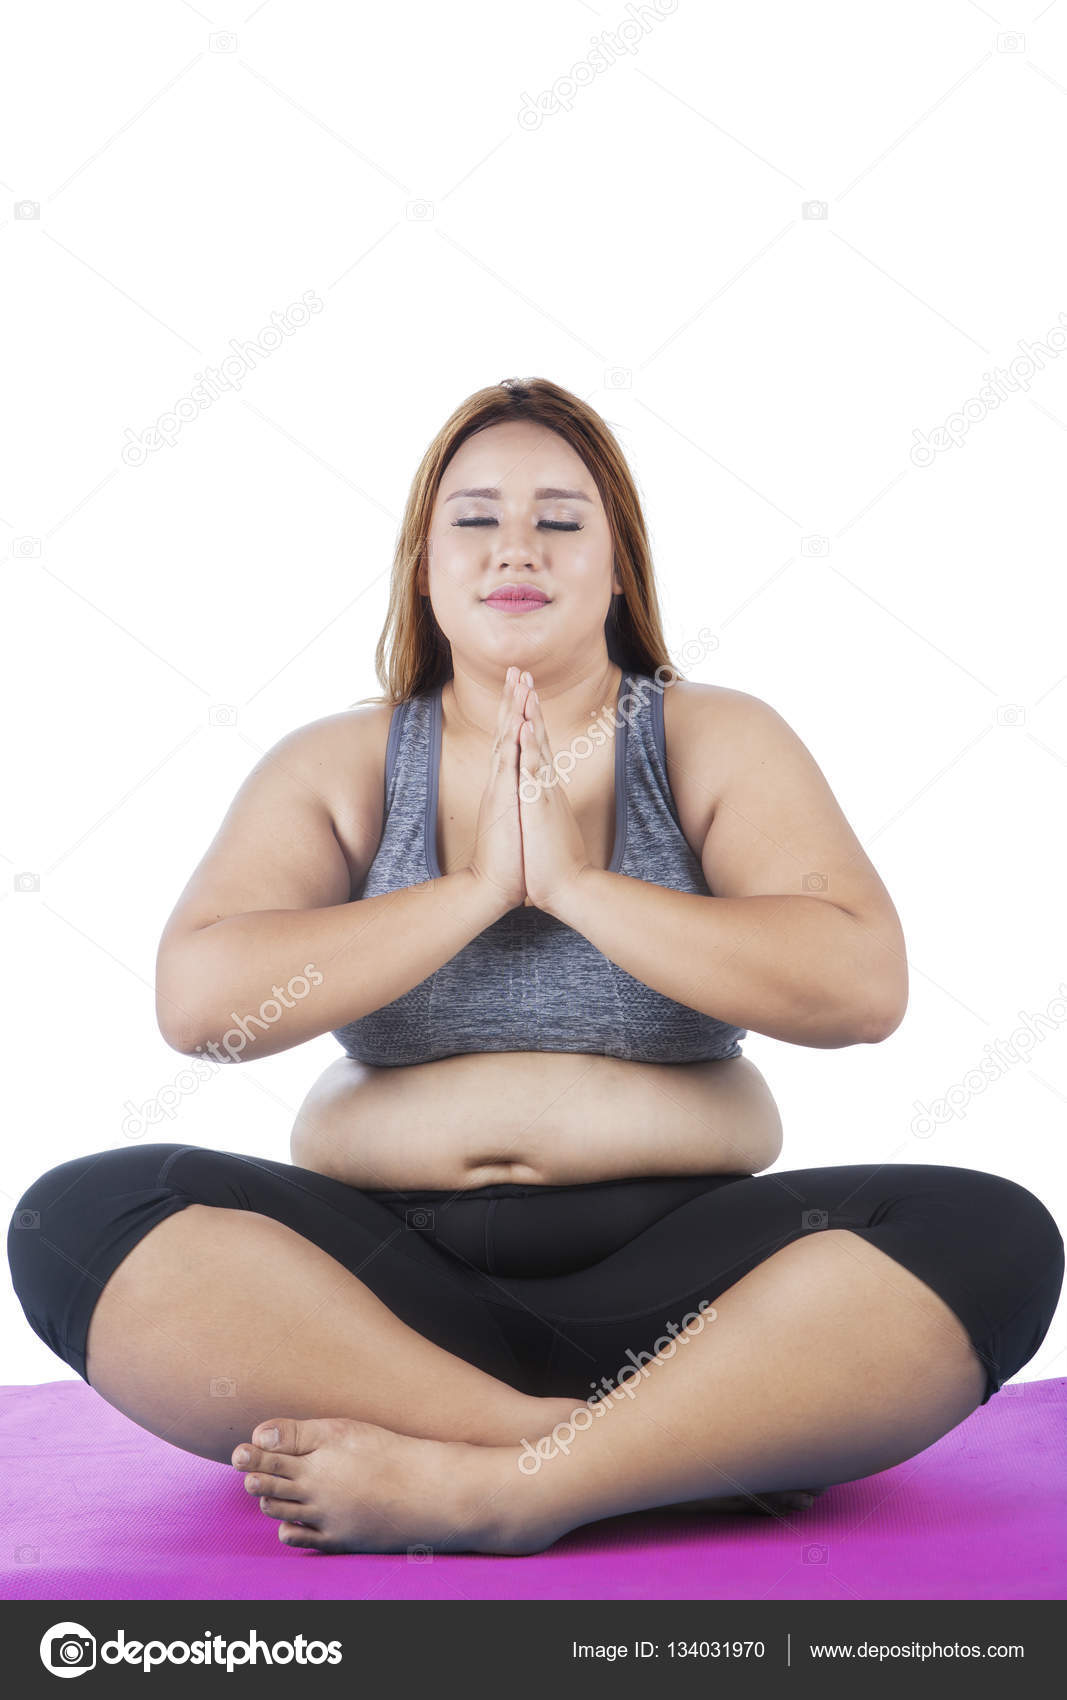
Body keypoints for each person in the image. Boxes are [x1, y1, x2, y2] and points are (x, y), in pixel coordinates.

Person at [8, 378, 1063, 1557]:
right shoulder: (344, 761)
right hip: (375, 1297)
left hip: (690, 1298)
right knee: (75, 1212)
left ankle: (500, 1490)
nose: (516, 545)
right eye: (474, 518)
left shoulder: (710, 736)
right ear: (424, 567)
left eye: (559, 520)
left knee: (992, 1230)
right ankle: (590, 1447)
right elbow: (202, 1009)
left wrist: (575, 885)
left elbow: (859, 986)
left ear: (617, 570)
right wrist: (468, 893)